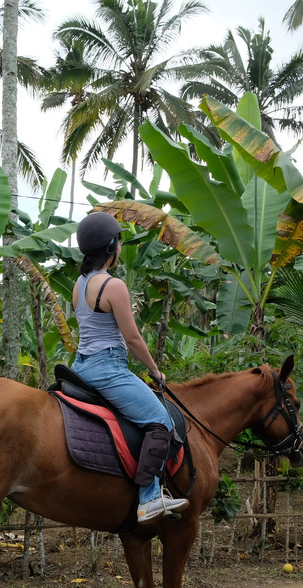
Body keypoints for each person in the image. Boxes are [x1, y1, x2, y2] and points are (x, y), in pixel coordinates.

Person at [71, 211, 189, 524]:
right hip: (107, 369)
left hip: (80, 367)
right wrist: (155, 371)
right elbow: (133, 339)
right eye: (119, 242)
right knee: (161, 421)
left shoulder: (79, 285)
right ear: (111, 247)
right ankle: (149, 497)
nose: (121, 247)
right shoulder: (113, 286)